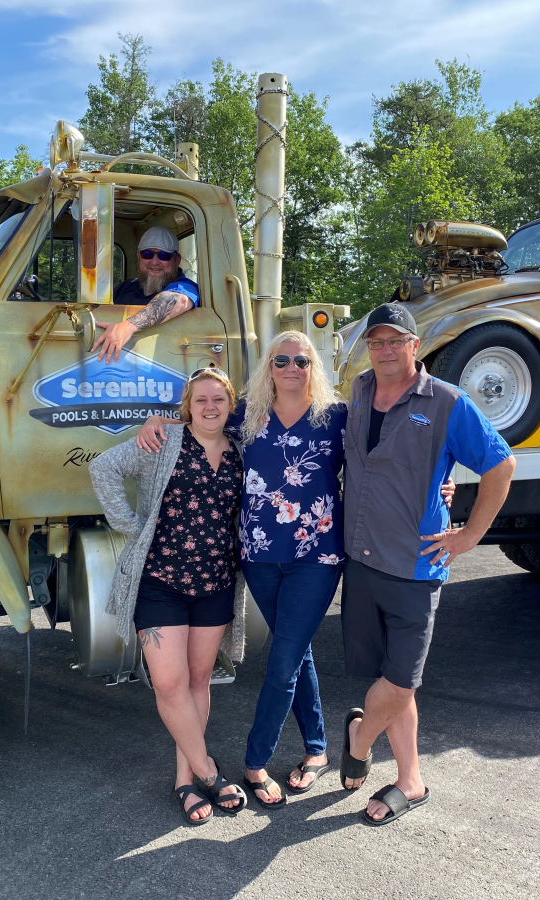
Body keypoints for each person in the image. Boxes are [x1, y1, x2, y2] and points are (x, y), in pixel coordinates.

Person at [136, 333, 458, 810]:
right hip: (260, 553)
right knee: (297, 644)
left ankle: (254, 761)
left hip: (319, 555)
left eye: (301, 360)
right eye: (281, 359)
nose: (291, 367)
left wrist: (444, 483)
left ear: (314, 367)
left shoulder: (339, 416)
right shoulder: (246, 414)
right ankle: (317, 750)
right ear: (270, 365)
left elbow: (393, 454)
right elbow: (199, 413)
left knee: (283, 659)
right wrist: (155, 419)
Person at [340, 303, 516, 827]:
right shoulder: (360, 391)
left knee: (401, 683)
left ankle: (358, 739)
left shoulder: (446, 402)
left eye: (396, 341)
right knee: (385, 675)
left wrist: (469, 536)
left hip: (415, 569)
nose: (386, 350)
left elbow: (501, 463)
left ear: (415, 346)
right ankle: (411, 780)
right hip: (362, 558)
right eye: (377, 342)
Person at [89, 367, 249, 826]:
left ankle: (184, 780)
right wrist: (132, 527)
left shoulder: (241, 452)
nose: (210, 407)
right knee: (168, 684)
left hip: (215, 585)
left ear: (230, 404)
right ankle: (208, 770)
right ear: (187, 406)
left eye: (218, 399)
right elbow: (104, 467)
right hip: (160, 584)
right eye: (200, 400)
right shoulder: (165, 445)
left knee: (199, 683)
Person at [93, 225, 200, 363]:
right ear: (139, 256)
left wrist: (127, 327)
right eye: (147, 254)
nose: (154, 262)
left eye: (164, 255)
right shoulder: (126, 287)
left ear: (177, 259)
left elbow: (177, 300)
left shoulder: (186, 287)